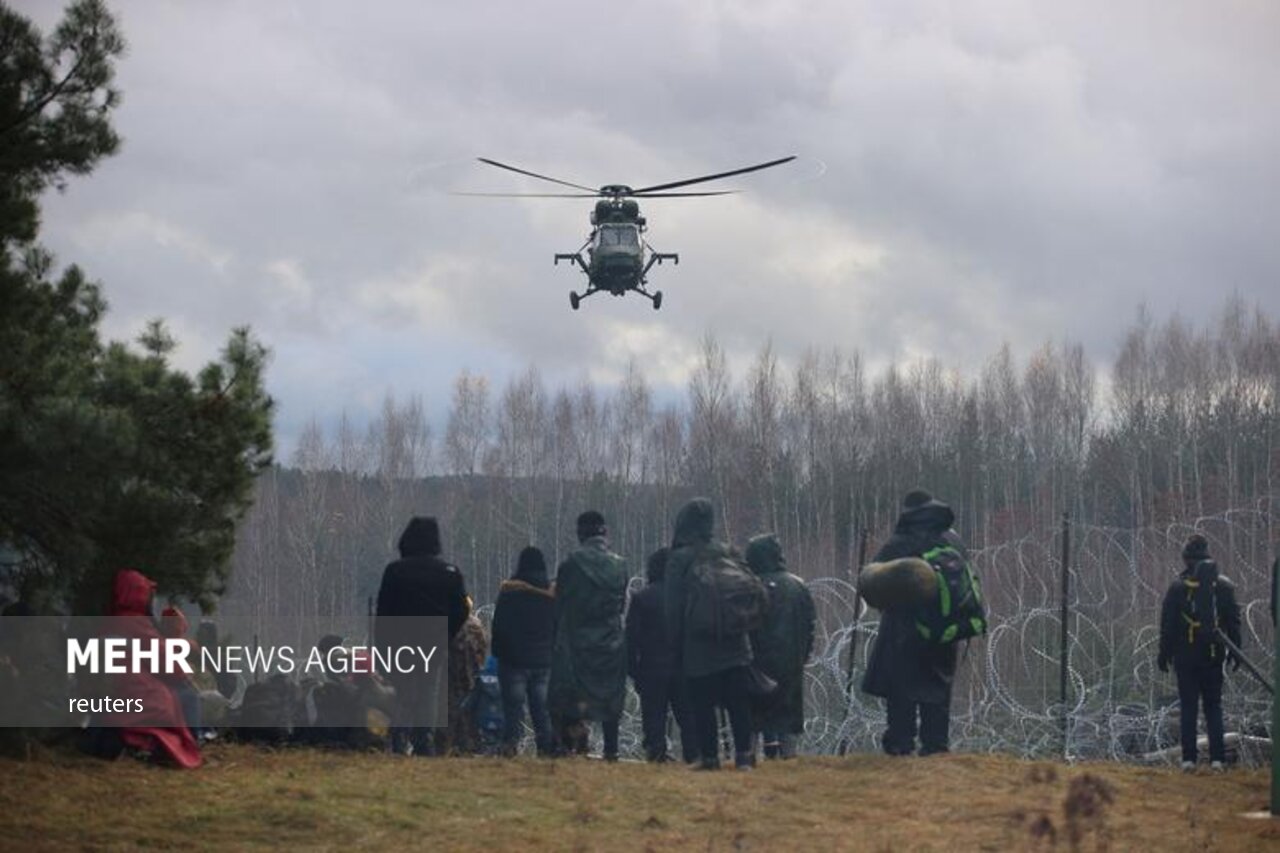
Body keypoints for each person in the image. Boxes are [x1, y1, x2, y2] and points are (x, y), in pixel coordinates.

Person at [861, 490, 967, 756]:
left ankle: (900, 743)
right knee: (938, 688)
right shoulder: (953, 540)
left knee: (902, 689)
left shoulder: (901, 541)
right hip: (945, 628)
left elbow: (873, 581)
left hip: (904, 629)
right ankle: (936, 745)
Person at [663, 498, 756, 770]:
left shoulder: (679, 558)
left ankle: (710, 758)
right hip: (735, 640)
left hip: (698, 643)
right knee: (738, 702)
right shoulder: (730, 552)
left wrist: (675, 645)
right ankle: (744, 756)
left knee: (702, 703)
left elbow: (673, 607)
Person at [375, 516, 470, 756]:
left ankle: (398, 739)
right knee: (428, 691)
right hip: (433, 641)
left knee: (402, 691)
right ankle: (423, 740)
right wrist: (446, 632)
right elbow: (461, 609)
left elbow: (384, 610)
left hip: (400, 640)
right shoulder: (449, 572)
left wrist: (382, 645)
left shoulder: (396, 571)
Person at [96, 569, 202, 768]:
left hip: (116, 690)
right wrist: (183, 673)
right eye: (147, 594)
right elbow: (165, 662)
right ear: (138, 595)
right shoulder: (136, 623)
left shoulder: (113, 621)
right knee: (188, 695)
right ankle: (194, 743)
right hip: (137, 692)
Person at [1158, 534, 1242, 771]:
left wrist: (1163, 654)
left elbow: (1168, 626)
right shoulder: (1224, 587)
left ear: (1187, 560)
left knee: (1188, 708)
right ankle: (1217, 760)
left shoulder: (1177, 588)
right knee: (1213, 707)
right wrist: (1236, 650)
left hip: (1186, 656)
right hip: (1213, 654)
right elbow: (1233, 622)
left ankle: (1189, 760)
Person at [548, 511, 628, 760]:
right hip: (611, 641)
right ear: (604, 533)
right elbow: (621, 604)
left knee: (567, 696)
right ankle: (611, 750)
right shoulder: (620, 565)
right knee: (610, 696)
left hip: (576, 643)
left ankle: (568, 747)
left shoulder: (570, 565)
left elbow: (560, 606)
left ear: (580, 533)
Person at [745, 533, 815, 759]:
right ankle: (788, 761)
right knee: (786, 718)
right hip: (790, 663)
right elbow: (809, 625)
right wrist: (802, 656)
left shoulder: (750, 587)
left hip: (755, 662)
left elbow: (742, 625)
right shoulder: (797, 586)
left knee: (752, 717)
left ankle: (747, 759)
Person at [626, 547, 696, 763]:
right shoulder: (687, 596)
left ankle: (656, 755)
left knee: (654, 717)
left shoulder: (642, 598)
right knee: (688, 717)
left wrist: (634, 671)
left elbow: (630, 639)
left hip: (651, 668)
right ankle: (694, 756)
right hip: (684, 666)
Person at [491, 546, 556, 756]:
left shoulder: (510, 592)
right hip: (544, 661)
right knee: (542, 711)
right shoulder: (551, 594)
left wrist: (500, 654)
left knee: (512, 710)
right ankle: (546, 749)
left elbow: (499, 627)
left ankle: (510, 746)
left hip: (513, 661)